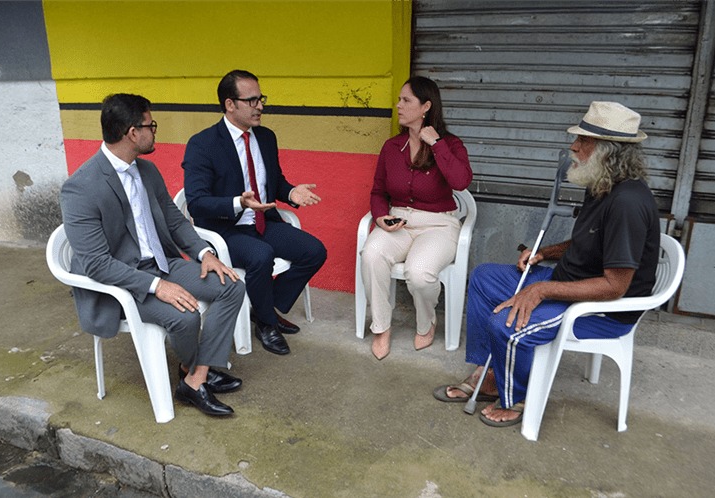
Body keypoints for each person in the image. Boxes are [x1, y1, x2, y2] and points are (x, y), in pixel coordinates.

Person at [433, 101, 660, 427]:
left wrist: (542, 289)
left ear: (609, 151)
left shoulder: (627, 203)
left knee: (506, 325)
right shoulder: (602, 184)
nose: (574, 146)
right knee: (483, 277)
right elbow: (589, 243)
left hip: (602, 310)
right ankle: (491, 373)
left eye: (584, 141)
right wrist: (544, 253)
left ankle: (517, 399)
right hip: (570, 283)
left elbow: (615, 285)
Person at [60, 93, 247, 418]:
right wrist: (157, 287)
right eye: (151, 125)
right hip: (121, 282)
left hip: (163, 263)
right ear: (133, 133)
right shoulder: (81, 188)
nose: (155, 132)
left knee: (231, 285)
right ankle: (195, 375)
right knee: (185, 316)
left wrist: (205, 252)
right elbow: (95, 263)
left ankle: (196, 376)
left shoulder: (145, 171)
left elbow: (174, 220)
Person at [182, 69, 327, 356]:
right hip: (225, 230)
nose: (260, 106)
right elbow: (196, 202)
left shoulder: (266, 137)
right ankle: (266, 323)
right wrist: (238, 202)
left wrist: (290, 193)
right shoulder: (203, 144)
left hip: (262, 222)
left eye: (261, 98)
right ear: (230, 104)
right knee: (261, 255)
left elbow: (273, 182)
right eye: (251, 100)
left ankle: (264, 306)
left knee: (314, 251)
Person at [359, 76, 473, 360]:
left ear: (426, 107)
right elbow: (378, 191)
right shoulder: (391, 147)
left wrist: (436, 143)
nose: (398, 105)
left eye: (405, 100)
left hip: (438, 225)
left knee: (420, 274)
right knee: (371, 254)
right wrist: (380, 216)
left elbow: (460, 181)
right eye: (399, 99)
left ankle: (427, 322)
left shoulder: (451, 144)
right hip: (399, 222)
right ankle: (382, 327)